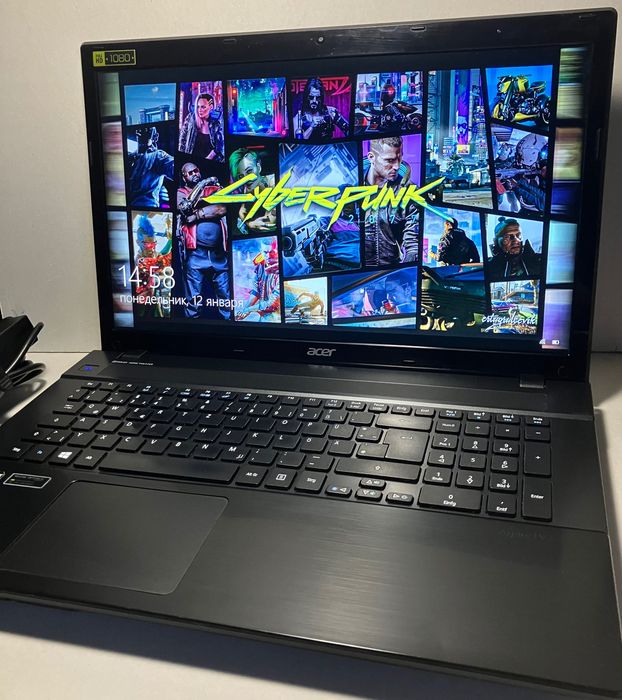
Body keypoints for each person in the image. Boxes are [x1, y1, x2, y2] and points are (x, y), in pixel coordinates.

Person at [177, 163, 230, 318]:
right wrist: (202, 187)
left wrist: (196, 215)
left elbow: (222, 208)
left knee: (227, 300)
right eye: (190, 172)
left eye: (196, 170)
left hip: (219, 254)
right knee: (193, 302)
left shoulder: (213, 188)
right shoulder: (181, 192)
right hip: (196, 254)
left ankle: (231, 329)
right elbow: (185, 208)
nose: (195, 173)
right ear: (184, 177)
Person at [364, 136, 418, 266]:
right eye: (390, 160)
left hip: (391, 270)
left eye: (399, 158)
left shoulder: (408, 192)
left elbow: (413, 243)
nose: (397, 166)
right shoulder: (351, 189)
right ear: (371, 157)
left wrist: (404, 271)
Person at [229, 148, 276, 234]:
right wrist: (250, 224)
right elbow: (242, 211)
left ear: (258, 167)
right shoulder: (248, 188)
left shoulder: (273, 184)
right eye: (241, 176)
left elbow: (270, 223)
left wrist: (250, 224)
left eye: (249, 171)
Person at [128, 126, 174, 208]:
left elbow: (172, 167)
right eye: (140, 131)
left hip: (146, 209)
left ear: (154, 137)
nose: (142, 133)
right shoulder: (131, 155)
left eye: (147, 131)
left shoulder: (158, 156)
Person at [236, 241, 281, 322]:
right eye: (265, 252)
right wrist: (245, 311)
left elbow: (270, 303)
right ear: (261, 251)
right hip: (263, 316)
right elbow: (256, 291)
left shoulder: (280, 270)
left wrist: (247, 310)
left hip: (276, 317)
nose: (268, 256)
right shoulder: (260, 266)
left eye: (271, 252)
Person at [178, 92, 224, 162]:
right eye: (198, 106)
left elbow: (220, 146)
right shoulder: (191, 118)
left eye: (203, 107)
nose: (199, 110)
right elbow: (182, 140)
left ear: (211, 107)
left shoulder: (216, 123)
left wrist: (210, 156)